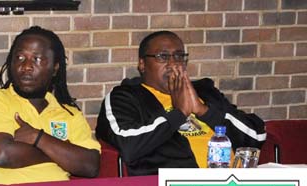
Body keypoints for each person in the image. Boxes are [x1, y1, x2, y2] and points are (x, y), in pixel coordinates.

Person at [96, 30, 266, 176]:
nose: (173, 64)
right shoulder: (125, 97)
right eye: (163, 57)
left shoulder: (205, 92)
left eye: (179, 56)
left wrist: (203, 111)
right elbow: (129, 146)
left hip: (231, 183)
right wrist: (179, 113)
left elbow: (256, 136)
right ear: (142, 64)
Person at [0, 26, 100, 185]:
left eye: (37, 59)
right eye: (20, 58)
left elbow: (90, 165)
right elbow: (2, 155)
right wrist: (63, 152)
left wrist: (38, 137)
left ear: (55, 68)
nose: (26, 66)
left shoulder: (70, 114)